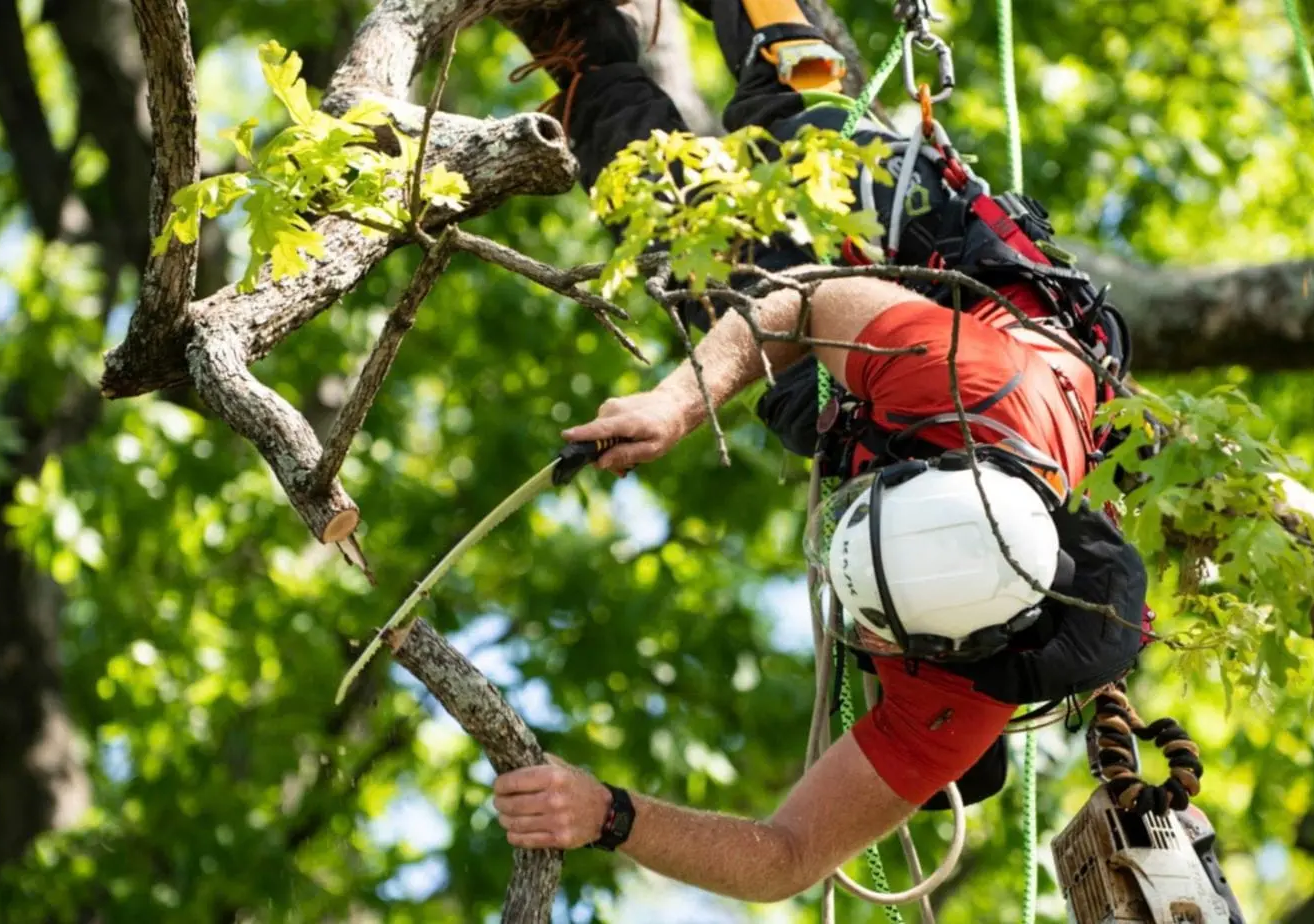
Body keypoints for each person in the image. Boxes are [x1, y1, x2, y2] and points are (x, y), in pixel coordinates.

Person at [490, 0, 1151, 903]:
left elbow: (785, 859)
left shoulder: (957, 701)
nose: (868, 638)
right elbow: (804, 302)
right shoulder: (959, 376)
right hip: (972, 290)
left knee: (693, 251)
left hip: (868, 422)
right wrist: (677, 407)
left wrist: (608, 813)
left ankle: (590, 67)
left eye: (878, 629)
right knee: (803, 131)